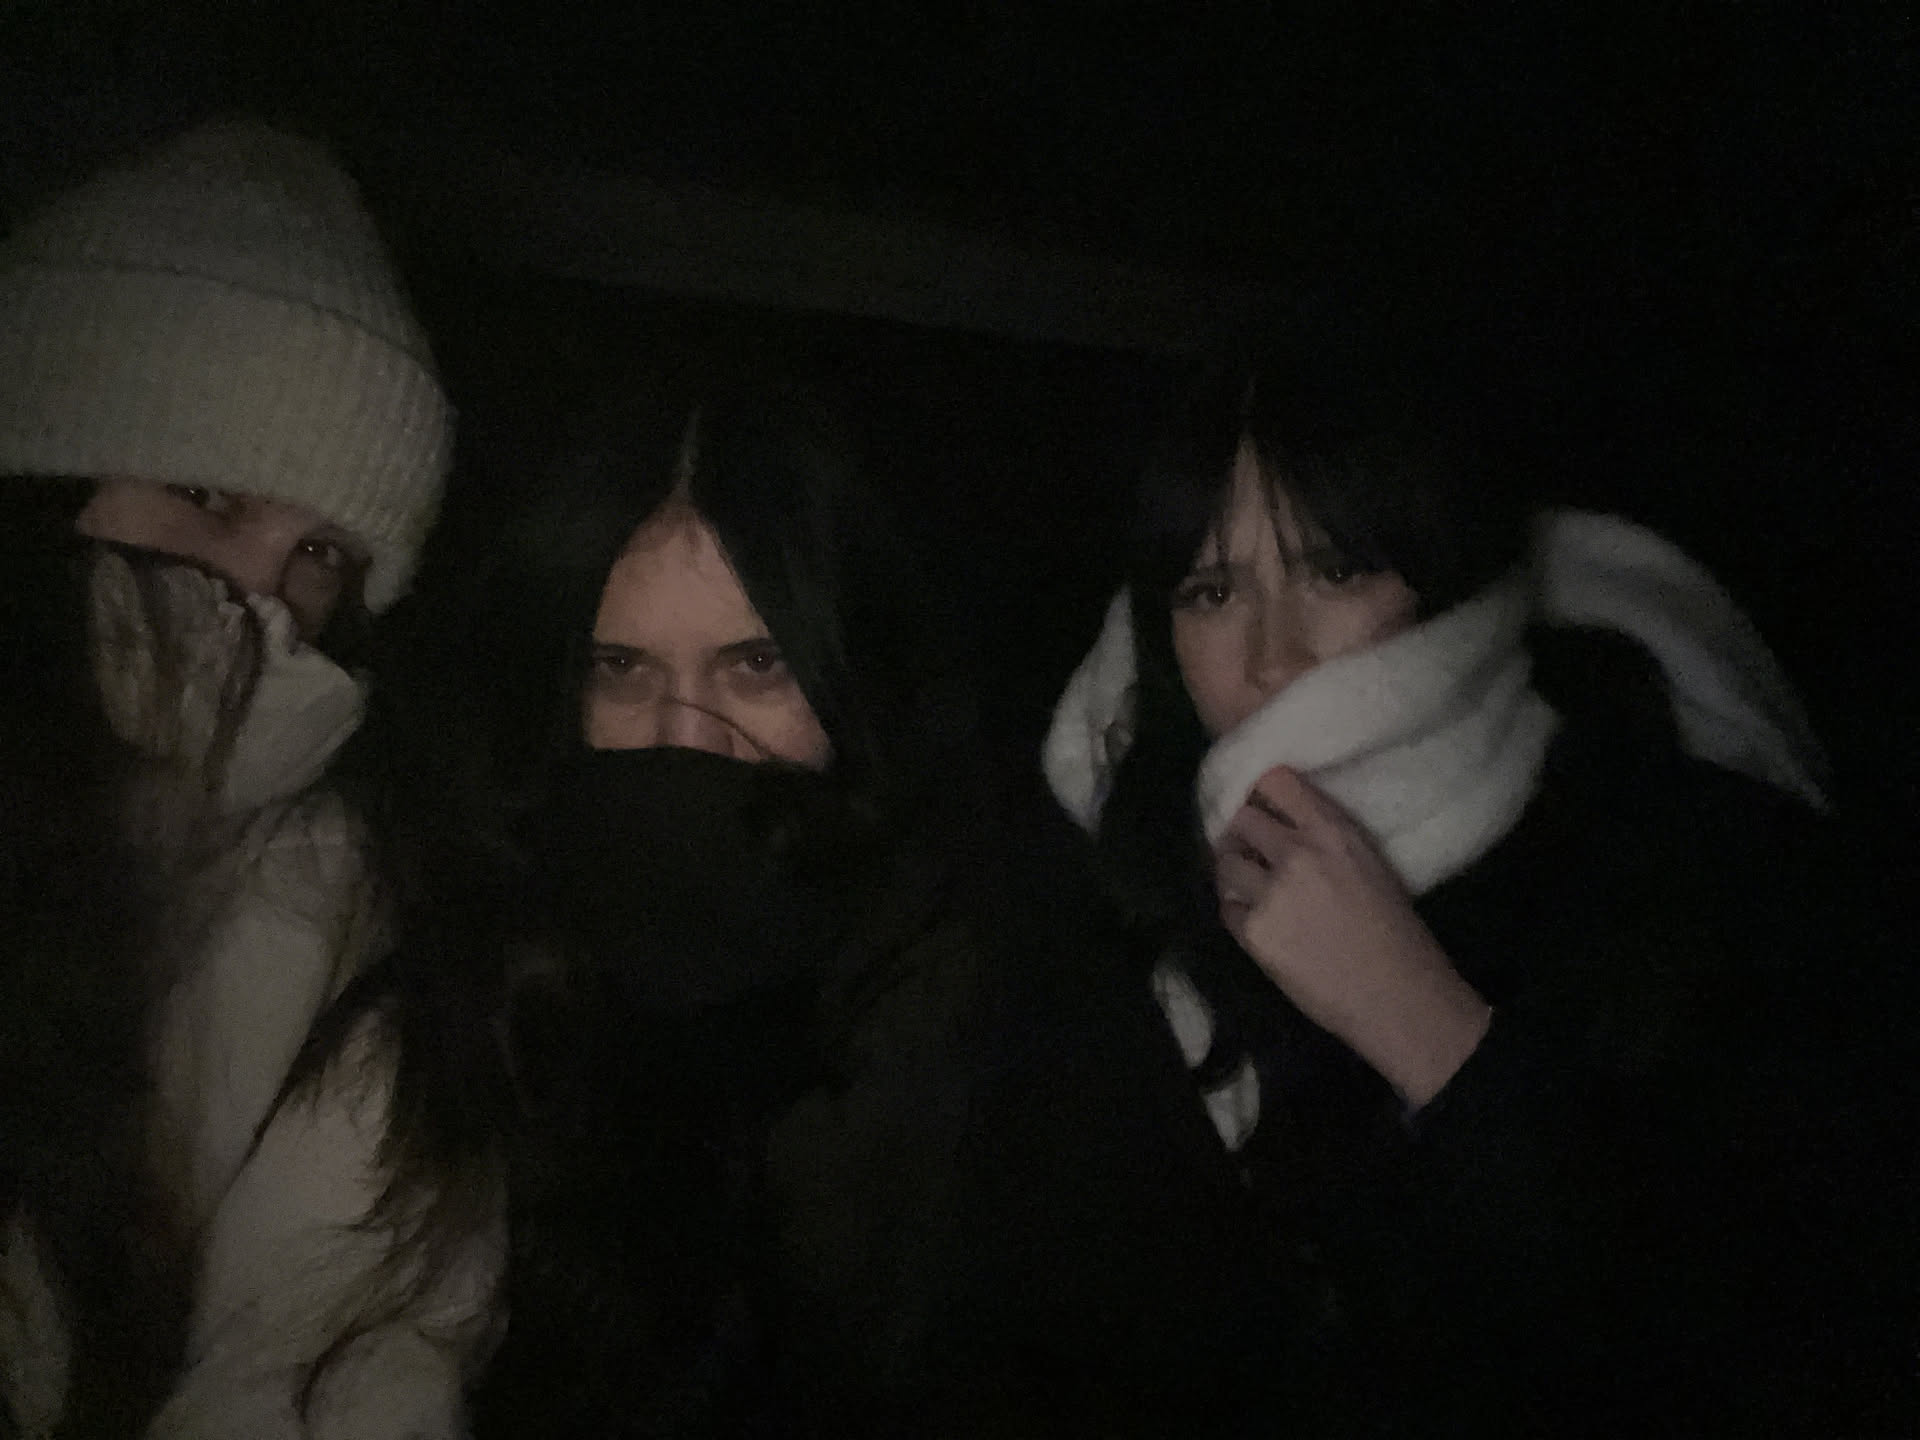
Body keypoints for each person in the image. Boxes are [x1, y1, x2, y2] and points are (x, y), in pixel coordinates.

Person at [376, 374, 1273, 1437]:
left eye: (755, 666)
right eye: (622, 669)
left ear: (850, 674)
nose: (687, 737)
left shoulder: (997, 989)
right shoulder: (480, 963)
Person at [1044, 359, 1915, 1434]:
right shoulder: (1128, 897)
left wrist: (1429, 1029)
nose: (1272, 661)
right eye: (1213, 593)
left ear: (1448, 577)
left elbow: (1785, 1346)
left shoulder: (1704, 869)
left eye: (1336, 570)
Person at [0, 121, 500, 1438]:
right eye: (208, 495)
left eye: (321, 553)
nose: (261, 601)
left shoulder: (345, 907)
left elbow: (345, 1346)